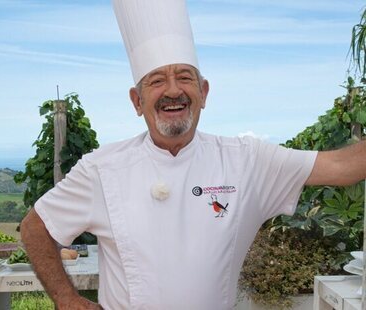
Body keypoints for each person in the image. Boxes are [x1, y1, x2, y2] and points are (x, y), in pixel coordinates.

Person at [20, 1, 366, 309]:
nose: (173, 90)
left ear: (203, 92)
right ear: (137, 101)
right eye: (156, 81)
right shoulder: (103, 168)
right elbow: (36, 227)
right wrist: (66, 299)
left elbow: (343, 166)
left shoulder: (247, 160)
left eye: (184, 77)